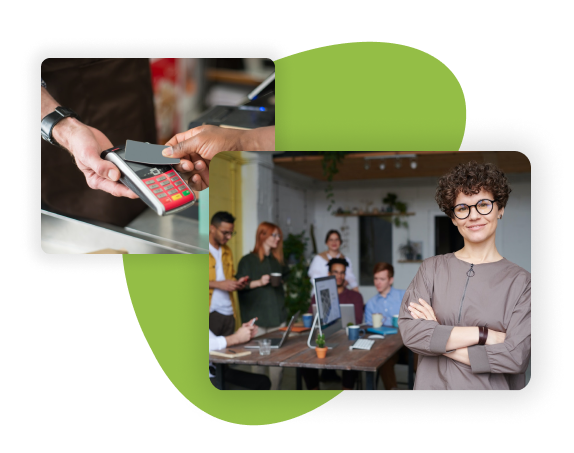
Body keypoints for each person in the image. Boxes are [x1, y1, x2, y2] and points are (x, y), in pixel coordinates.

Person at [398, 161, 531, 390]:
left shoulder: (521, 283)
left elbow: (515, 357)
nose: (473, 216)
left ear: (500, 209)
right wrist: (484, 335)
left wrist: (437, 336)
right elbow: (411, 334)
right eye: (462, 208)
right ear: (453, 218)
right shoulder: (431, 269)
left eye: (483, 204)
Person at [235, 222, 289, 390]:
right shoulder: (247, 261)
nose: (278, 239)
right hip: (256, 320)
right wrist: (258, 282)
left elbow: (281, 287)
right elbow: (239, 286)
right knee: (257, 366)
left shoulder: (276, 261)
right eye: (274, 235)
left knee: (277, 367)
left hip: (277, 318)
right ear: (262, 235)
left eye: (279, 235)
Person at [303, 258, 364, 390]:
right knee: (305, 358)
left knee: (352, 355)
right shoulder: (317, 296)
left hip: (346, 340)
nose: (339, 276)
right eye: (335, 272)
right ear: (329, 274)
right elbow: (313, 320)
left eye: (342, 272)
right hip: (324, 338)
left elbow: (358, 321)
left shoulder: (355, 296)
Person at [364, 262, 413, 390]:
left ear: (391, 280)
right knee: (382, 358)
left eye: (382, 279)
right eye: (375, 279)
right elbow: (370, 331)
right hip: (387, 347)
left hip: (407, 345)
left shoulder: (404, 296)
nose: (378, 282)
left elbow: (415, 320)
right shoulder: (371, 304)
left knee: (420, 354)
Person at [209, 212, 249, 336]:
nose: (229, 237)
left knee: (227, 353)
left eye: (231, 233)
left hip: (229, 313)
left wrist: (237, 284)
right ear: (212, 228)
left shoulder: (227, 250)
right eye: (225, 233)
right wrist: (218, 284)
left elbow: (229, 278)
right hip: (211, 312)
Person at [209, 323, 271, 390]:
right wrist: (237, 337)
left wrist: (243, 335)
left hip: (217, 371)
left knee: (264, 381)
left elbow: (216, 344)